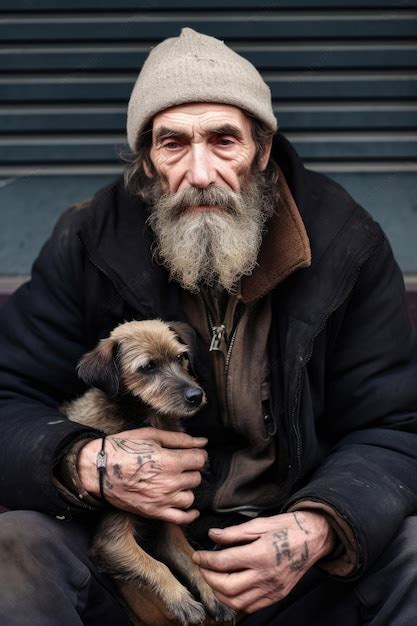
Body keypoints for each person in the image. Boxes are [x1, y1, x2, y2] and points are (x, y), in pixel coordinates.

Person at [0, 27, 417, 626]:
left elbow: (397, 425)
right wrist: (84, 461)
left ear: (263, 149)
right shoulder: (89, 238)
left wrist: (323, 524)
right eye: (174, 144)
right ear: (147, 160)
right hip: (130, 550)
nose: (201, 172)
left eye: (224, 140)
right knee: (13, 548)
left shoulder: (344, 242)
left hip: (291, 556)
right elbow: (8, 397)